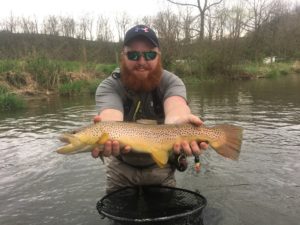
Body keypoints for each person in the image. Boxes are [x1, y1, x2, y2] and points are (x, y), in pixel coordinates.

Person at [92, 24, 208, 193]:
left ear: (158, 56)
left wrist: (179, 122)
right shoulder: (109, 86)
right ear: (123, 56)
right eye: (133, 55)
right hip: (120, 169)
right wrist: (104, 134)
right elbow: (111, 121)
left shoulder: (171, 82)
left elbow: (176, 109)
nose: (141, 62)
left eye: (149, 54)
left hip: (160, 168)